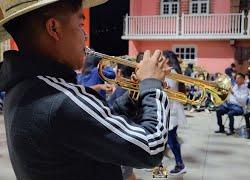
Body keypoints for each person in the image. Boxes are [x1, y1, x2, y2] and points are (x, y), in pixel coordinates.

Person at [0, 1, 170, 179]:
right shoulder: (61, 100)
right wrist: (152, 85)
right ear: (54, 28)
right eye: (80, 25)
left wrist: (136, 94)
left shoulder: (22, 88)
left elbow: (96, 126)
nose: (86, 35)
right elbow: (152, 147)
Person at [162, 50, 187, 175]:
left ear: (166, 59)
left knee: (171, 140)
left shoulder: (171, 72)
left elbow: (168, 91)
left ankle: (180, 164)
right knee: (168, 139)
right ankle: (161, 165)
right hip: (169, 111)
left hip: (172, 112)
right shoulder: (168, 72)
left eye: (161, 57)